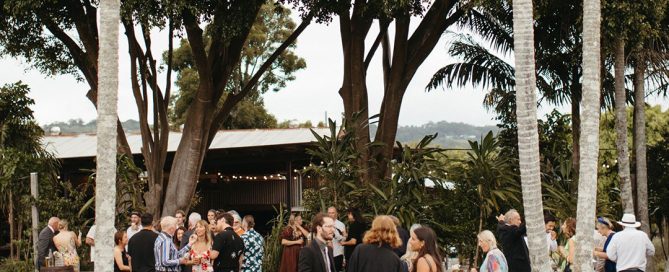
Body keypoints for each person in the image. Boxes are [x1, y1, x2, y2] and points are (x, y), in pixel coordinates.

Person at [327, 207, 347, 271]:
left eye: (332, 213)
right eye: (329, 213)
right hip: (326, 253)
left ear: (336, 214)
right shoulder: (324, 224)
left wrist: (335, 235)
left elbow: (344, 239)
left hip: (337, 253)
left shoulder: (341, 225)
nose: (330, 215)